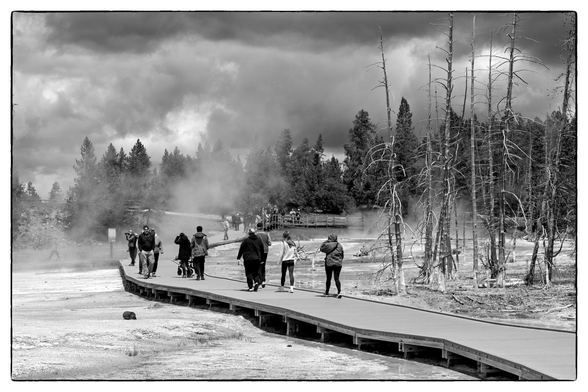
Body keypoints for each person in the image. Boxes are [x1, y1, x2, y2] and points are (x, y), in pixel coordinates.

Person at [319, 233, 344, 298]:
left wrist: (326, 241)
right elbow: (342, 255)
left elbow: (321, 248)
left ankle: (327, 292)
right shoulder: (339, 245)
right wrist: (339, 260)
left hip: (329, 263)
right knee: (337, 278)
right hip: (338, 264)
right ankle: (339, 292)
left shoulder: (328, 245)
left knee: (328, 278)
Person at [256, 222, 272, 288]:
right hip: (265, 251)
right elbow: (270, 243)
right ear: (262, 227)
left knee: (258, 266)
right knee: (263, 266)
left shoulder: (256, 234)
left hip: (258, 251)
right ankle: (263, 281)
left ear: (257, 227)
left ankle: (260, 280)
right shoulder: (266, 234)